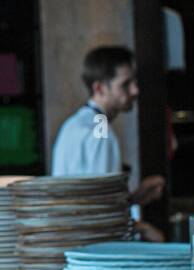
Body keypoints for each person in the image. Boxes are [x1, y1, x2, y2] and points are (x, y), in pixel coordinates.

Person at [50, 45, 166, 242]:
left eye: (134, 81)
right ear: (99, 88)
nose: (135, 90)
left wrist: (135, 197)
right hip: (94, 246)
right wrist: (142, 228)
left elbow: (86, 195)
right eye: (125, 84)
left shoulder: (73, 124)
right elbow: (101, 210)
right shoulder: (101, 130)